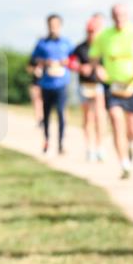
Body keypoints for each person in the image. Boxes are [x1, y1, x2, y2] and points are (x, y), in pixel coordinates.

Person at [90, 3, 133, 179]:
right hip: (113, 85)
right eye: (115, 15)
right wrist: (98, 69)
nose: (119, 18)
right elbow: (94, 57)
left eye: (122, 15)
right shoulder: (104, 35)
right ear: (111, 16)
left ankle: (130, 144)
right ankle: (124, 163)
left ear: (128, 15)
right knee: (116, 121)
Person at [30, 14, 73, 154]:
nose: (53, 27)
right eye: (50, 25)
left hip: (61, 83)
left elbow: (75, 60)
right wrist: (43, 62)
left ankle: (61, 143)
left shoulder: (67, 43)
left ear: (60, 26)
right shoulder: (41, 43)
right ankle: (46, 140)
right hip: (46, 84)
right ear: (47, 26)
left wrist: (66, 62)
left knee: (61, 113)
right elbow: (32, 60)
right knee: (46, 114)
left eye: (55, 25)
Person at [71, 14, 108, 162]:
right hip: (84, 86)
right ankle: (89, 148)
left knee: (100, 117)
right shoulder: (80, 48)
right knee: (88, 118)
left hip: (99, 86)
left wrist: (101, 70)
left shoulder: (103, 47)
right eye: (89, 31)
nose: (92, 34)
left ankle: (100, 147)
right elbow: (71, 63)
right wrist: (80, 68)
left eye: (94, 31)